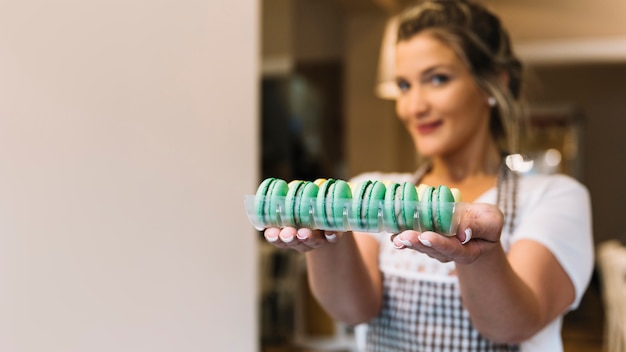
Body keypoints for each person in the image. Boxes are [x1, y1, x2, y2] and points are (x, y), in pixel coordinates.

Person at [263, 0, 594, 350]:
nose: (414, 106)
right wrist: (325, 240)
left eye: (437, 79)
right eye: (404, 86)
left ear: (492, 84)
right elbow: (352, 310)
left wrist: (477, 256)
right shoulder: (373, 193)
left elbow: (514, 325)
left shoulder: (554, 197)